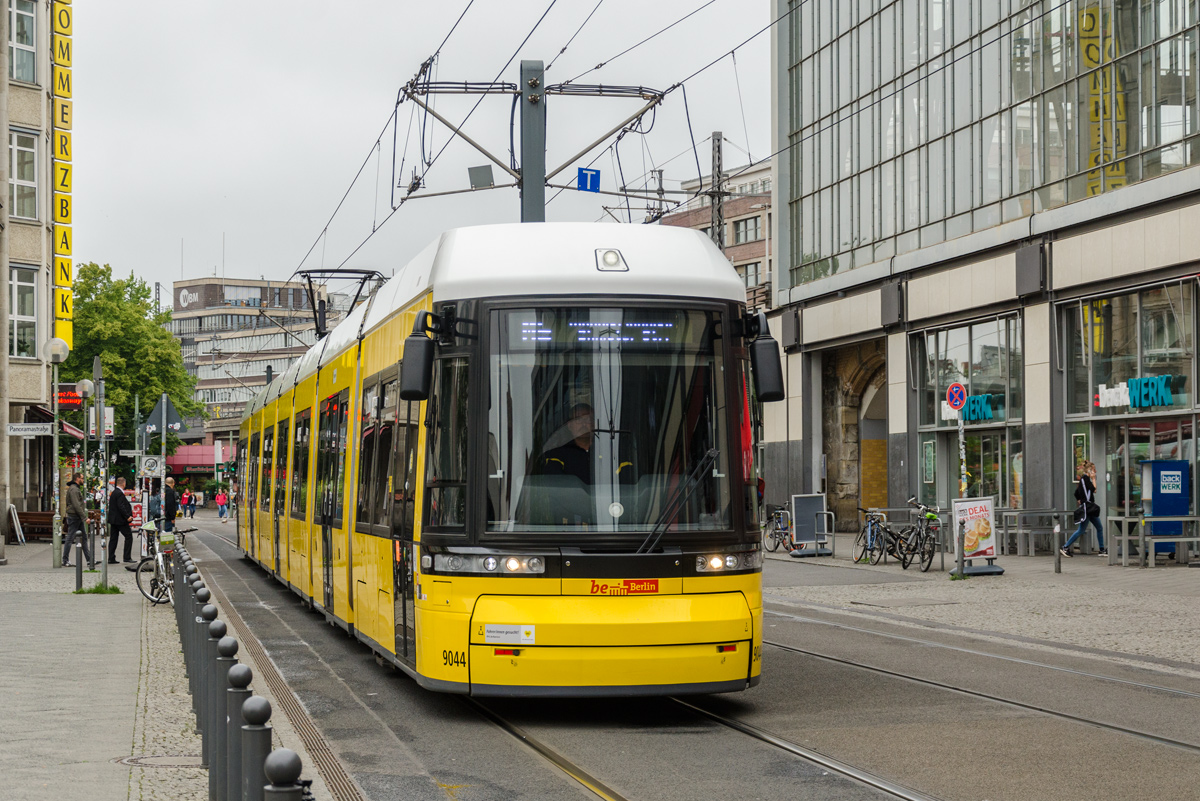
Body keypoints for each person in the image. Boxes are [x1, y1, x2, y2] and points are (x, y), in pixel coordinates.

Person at [539, 404, 595, 484]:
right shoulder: (556, 455)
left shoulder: (608, 452)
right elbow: (556, 486)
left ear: (594, 423)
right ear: (569, 425)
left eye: (588, 419)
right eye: (578, 420)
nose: (584, 424)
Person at [1062, 460, 1105, 557]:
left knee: (1099, 527)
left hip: (1090, 509)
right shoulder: (1085, 479)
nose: (1095, 472)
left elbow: (1076, 493)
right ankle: (1065, 546)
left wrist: (1079, 499)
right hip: (1088, 509)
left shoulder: (1083, 480)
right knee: (1081, 530)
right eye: (1094, 470)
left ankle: (1102, 549)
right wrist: (1094, 479)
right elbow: (1094, 490)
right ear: (1089, 470)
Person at [62, 472, 95, 568]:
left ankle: (89, 559)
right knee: (70, 538)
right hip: (74, 517)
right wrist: (85, 517)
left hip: (76, 517)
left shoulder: (75, 488)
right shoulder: (74, 489)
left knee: (84, 537)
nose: (83, 480)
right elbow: (76, 505)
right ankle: (65, 560)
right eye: (82, 478)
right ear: (77, 479)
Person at [107, 477, 135, 564]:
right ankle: (127, 557)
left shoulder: (114, 493)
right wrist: (127, 516)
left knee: (113, 538)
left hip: (114, 520)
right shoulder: (119, 493)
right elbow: (121, 506)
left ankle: (111, 558)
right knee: (129, 536)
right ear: (123, 483)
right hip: (120, 520)